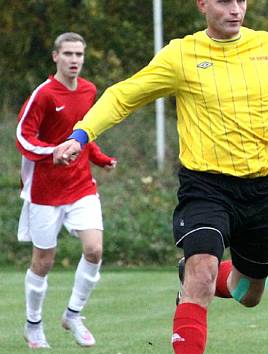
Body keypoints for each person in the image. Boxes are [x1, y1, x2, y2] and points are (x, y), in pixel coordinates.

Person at [52, 1, 268, 352]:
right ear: (203, 5)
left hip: (262, 189)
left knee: (248, 293)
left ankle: (201, 272)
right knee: (201, 273)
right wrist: (81, 134)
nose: (236, 9)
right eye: (224, 1)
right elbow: (123, 96)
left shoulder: (267, 47)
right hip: (206, 187)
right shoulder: (181, 55)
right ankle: (195, 276)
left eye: (241, 0)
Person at [16, 32, 117, 349]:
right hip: (45, 192)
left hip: (81, 186)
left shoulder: (88, 91)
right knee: (43, 261)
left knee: (95, 250)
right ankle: (33, 325)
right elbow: (23, 137)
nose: (75, 60)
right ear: (55, 57)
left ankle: (73, 314)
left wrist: (100, 159)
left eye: (79, 54)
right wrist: (53, 152)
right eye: (69, 54)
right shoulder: (44, 95)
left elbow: (83, 134)